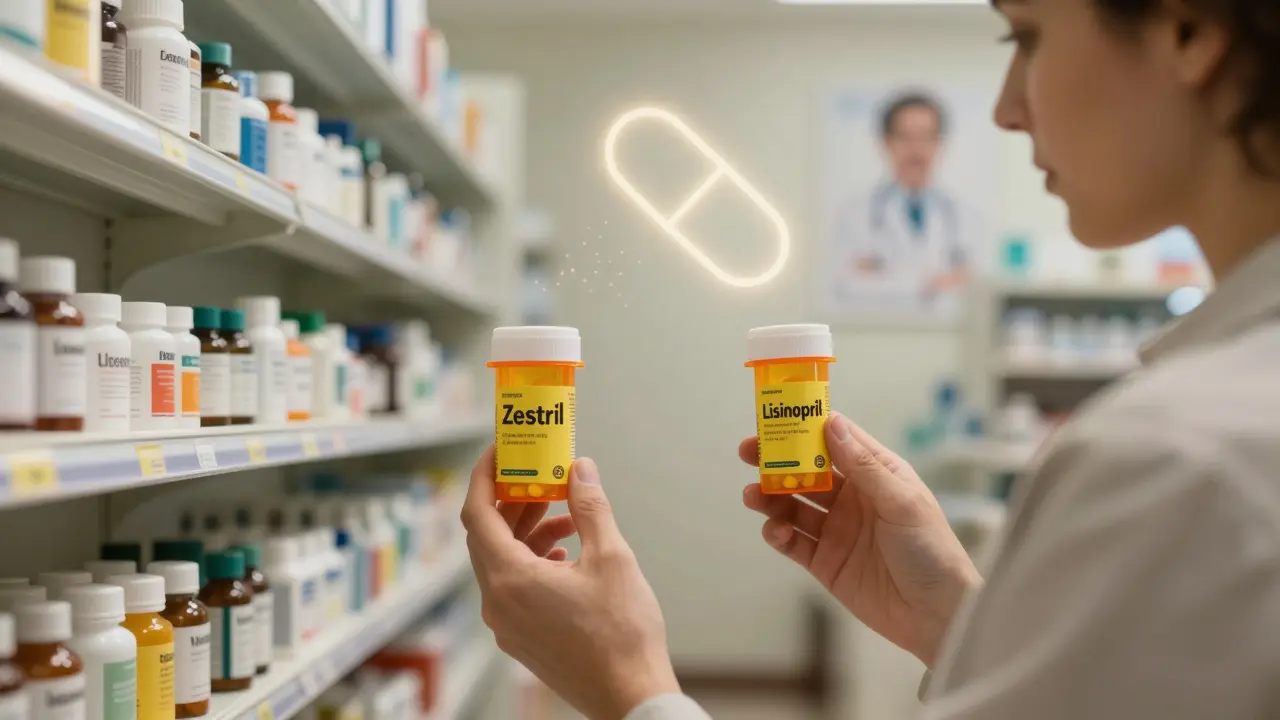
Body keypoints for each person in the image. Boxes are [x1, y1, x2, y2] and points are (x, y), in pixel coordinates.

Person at [462, 0, 1280, 717]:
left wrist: (626, 684)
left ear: (1186, 30)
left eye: (1025, 37)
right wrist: (952, 619)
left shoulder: (1187, 459)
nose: (1004, 109)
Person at [836, 91, 969, 299]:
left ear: (940, 143)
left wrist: (885, 277)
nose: (916, 149)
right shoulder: (855, 212)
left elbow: (977, 284)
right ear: (886, 143)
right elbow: (848, 285)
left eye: (926, 137)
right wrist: (930, 283)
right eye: (905, 137)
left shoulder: (965, 214)